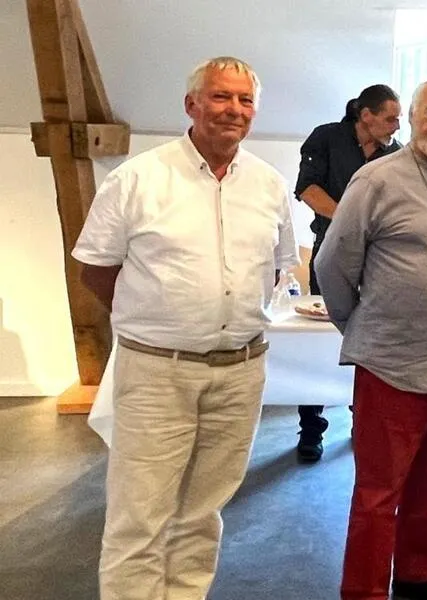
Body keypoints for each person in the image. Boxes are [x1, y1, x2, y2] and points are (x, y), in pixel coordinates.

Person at [72, 57, 299, 599]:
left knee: (202, 512)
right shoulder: (138, 179)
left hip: (240, 372)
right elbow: (96, 270)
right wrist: (161, 319)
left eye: (245, 100)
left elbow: (273, 269)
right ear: (191, 105)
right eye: (220, 97)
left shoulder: (268, 185)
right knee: (139, 517)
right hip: (157, 372)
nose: (234, 110)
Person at [315, 77, 427, 600]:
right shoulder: (376, 180)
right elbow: (332, 265)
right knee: (377, 494)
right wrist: (363, 328)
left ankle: (416, 575)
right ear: (410, 117)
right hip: (393, 368)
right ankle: (364, 592)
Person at [293, 84, 402, 461]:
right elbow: (307, 189)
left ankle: (364, 421)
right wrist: (348, 219)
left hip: (379, 259)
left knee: (371, 340)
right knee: (319, 340)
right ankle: (311, 428)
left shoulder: (396, 154)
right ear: (365, 115)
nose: (396, 126)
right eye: (390, 118)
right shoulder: (326, 138)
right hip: (330, 253)